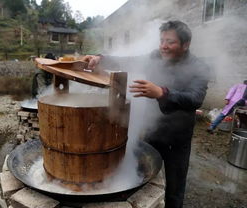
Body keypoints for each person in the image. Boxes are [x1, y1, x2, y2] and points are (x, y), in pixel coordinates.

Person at [83, 20, 209, 208]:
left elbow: (195, 98)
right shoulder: (156, 56)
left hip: (178, 138)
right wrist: (101, 59)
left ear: (185, 45)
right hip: (153, 132)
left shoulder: (199, 67)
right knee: (146, 179)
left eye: (170, 42)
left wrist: (162, 93)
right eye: (161, 40)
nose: (163, 46)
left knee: (175, 188)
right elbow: (131, 60)